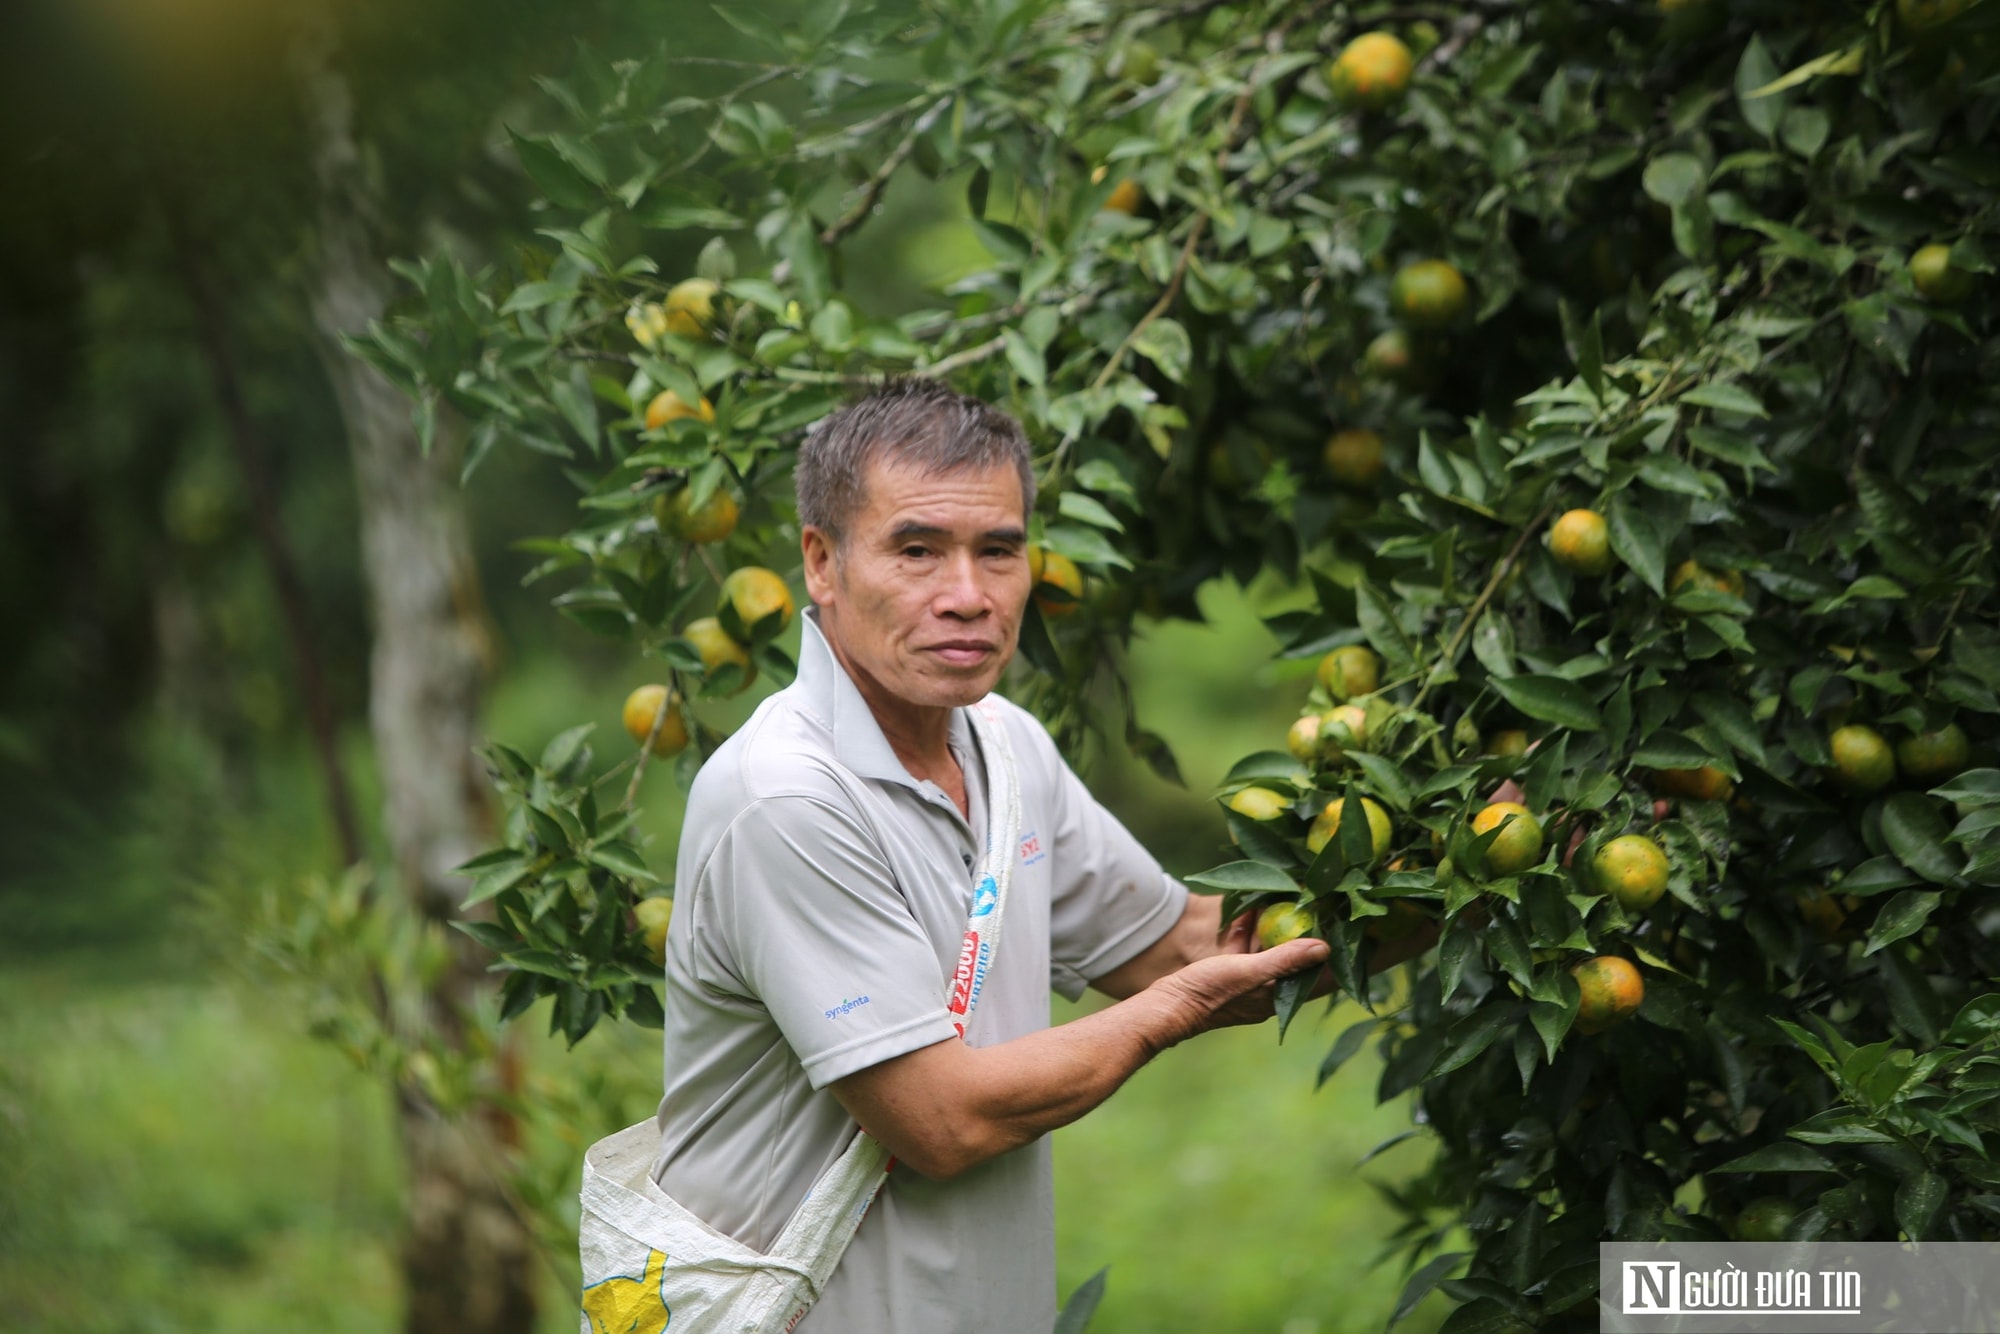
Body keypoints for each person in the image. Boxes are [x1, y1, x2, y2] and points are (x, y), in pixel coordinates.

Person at [644, 378, 1431, 1332]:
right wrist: (1171, 1014)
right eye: (917, 551)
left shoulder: (1005, 746)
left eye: (999, 551)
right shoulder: (785, 799)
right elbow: (943, 1120)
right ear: (822, 562)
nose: (967, 597)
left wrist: (1459, 881)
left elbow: (1193, 951)